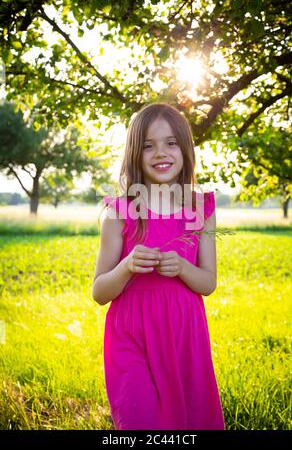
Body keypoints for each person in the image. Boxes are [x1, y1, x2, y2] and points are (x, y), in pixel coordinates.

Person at [92, 102, 225, 430]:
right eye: (148, 145)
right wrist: (126, 266)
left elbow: (208, 283)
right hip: (131, 335)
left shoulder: (199, 207)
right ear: (135, 153)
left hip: (184, 336)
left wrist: (182, 267)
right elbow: (98, 292)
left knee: (188, 421)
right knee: (140, 420)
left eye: (171, 142)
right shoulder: (119, 212)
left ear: (185, 148)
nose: (160, 153)